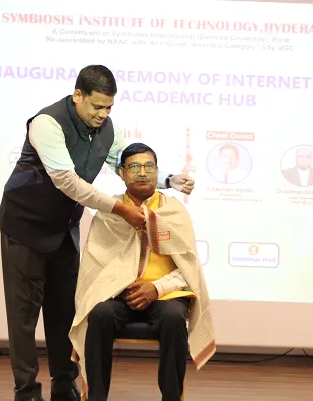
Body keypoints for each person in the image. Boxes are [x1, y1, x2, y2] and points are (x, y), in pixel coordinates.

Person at [0, 65, 195, 401]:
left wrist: (167, 180)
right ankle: (26, 391)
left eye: (109, 107)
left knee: (65, 311)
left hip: (63, 230)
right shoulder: (46, 123)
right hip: (25, 226)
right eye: (97, 106)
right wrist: (120, 209)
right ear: (78, 96)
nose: (103, 114)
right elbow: (67, 181)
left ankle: (64, 384)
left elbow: (123, 163)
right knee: (23, 316)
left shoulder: (106, 128)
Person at [70, 142, 215, 401]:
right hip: (119, 294)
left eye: (149, 167)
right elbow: (95, 266)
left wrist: (156, 288)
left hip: (165, 295)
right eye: (134, 167)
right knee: (100, 314)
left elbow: (188, 268)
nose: (142, 173)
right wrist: (119, 285)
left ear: (157, 172)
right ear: (122, 173)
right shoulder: (110, 211)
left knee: (173, 318)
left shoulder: (174, 210)